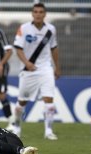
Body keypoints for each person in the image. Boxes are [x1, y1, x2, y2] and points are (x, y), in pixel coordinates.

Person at [6, 3, 61, 140]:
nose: (38, 14)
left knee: (49, 99)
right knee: (22, 102)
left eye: (41, 12)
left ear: (45, 14)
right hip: (27, 70)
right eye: (35, 11)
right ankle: (17, 126)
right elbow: (18, 49)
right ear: (32, 13)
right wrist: (27, 63)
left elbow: (54, 48)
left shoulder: (51, 30)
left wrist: (57, 67)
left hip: (45, 69)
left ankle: (48, 131)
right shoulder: (24, 28)